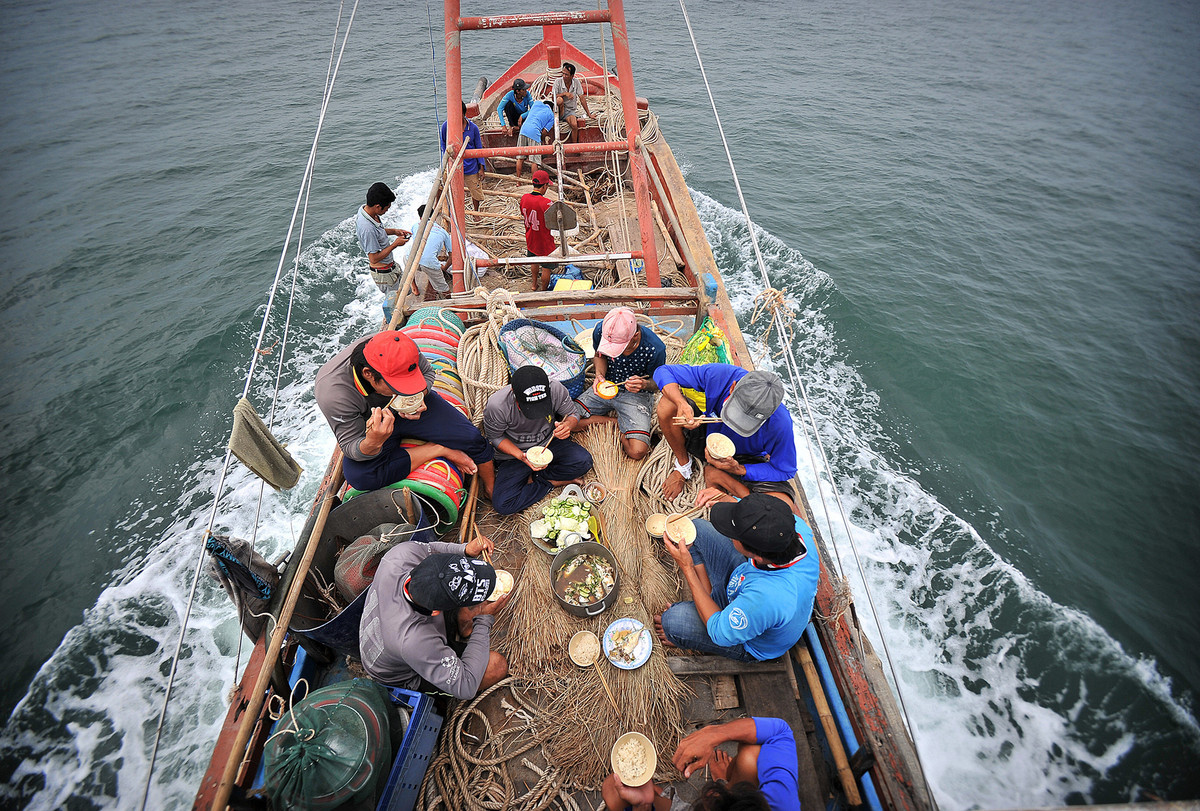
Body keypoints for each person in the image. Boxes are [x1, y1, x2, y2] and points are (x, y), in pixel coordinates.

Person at [314, 330, 496, 496]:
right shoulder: (334, 394)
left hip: (410, 409)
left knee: (472, 437)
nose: (402, 390)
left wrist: (417, 399)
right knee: (361, 476)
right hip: (370, 425)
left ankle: (490, 488)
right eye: (396, 385)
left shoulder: (402, 348)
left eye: (407, 382)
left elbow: (427, 375)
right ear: (368, 374)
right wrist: (373, 441)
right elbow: (350, 445)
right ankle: (439, 449)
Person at [655, 493, 819, 663]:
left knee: (672, 622)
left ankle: (708, 612)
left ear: (757, 556)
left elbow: (719, 633)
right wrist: (727, 498)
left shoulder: (768, 597)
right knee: (695, 530)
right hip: (743, 579)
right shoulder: (793, 528)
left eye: (733, 534)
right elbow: (757, 511)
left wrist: (687, 568)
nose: (729, 534)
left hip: (750, 642)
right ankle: (710, 600)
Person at [359, 539, 511, 699]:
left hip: (396, 629)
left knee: (466, 610)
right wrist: (484, 620)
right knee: (497, 666)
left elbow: (431, 548)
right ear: (436, 613)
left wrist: (465, 550)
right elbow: (466, 687)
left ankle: (461, 623)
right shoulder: (414, 641)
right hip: (407, 671)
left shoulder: (402, 555)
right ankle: (459, 626)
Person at [651, 365, 796, 503]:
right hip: (706, 434)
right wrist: (681, 403)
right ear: (733, 387)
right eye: (735, 412)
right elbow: (664, 371)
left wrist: (740, 469)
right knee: (667, 405)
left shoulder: (781, 424)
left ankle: (733, 498)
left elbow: (784, 470)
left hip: (743, 458)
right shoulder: (722, 375)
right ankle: (684, 465)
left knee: (784, 502)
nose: (735, 425)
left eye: (746, 422)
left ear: (769, 414)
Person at [483, 365, 593, 515]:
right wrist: (520, 456)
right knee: (503, 505)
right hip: (515, 455)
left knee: (583, 461)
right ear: (513, 392)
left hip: (549, 443)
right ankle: (551, 482)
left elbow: (572, 414)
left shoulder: (555, 389)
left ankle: (536, 479)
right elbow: (495, 437)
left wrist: (568, 425)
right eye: (529, 408)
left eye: (540, 406)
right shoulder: (497, 406)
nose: (536, 413)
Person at [573, 307, 665, 460]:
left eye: (619, 346)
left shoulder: (655, 348)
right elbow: (599, 355)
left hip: (636, 395)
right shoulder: (601, 331)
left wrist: (643, 384)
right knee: (569, 420)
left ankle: (610, 422)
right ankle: (617, 423)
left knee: (637, 451)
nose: (615, 352)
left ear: (635, 336)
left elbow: (658, 382)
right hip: (606, 385)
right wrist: (599, 376)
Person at [673, 717, 800, 811]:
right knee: (751, 753)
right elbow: (779, 731)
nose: (710, 794)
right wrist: (713, 734)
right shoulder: (782, 803)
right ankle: (731, 785)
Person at [355, 182, 411, 321]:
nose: (386, 211)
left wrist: (394, 231)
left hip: (390, 268)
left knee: (407, 291)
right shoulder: (366, 228)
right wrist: (395, 244)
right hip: (385, 275)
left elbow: (378, 232)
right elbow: (373, 258)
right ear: (377, 206)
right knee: (398, 304)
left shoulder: (367, 211)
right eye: (386, 208)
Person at [440, 101, 486, 211]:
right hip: (453, 165)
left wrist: (481, 168)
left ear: (463, 113)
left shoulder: (473, 128)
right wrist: (446, 162)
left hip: (471, 166)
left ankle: (476, 211)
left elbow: (479, 148)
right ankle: (444, 207)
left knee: (476, 191)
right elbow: (443, 144)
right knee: (443, 186)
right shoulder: (446, 126)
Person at [520, 169, 557, 291]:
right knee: (546, 266)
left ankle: (534, 284)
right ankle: (543, 291)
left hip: (531, 236)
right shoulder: (546, 203)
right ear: (544, 185)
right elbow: (555, 220)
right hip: (544, 240)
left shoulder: (524, 198)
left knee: (534, 260)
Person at [414, 203, 452, 300]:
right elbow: (452, 255)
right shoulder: (442, 231)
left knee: (406, 259)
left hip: (413, 260)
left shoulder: (415, 226)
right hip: (429, 262)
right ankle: (450, 301)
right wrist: (444, 268)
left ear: (420, 217)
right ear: (434, 216)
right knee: (443, 287)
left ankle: (414, 287)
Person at [514, 99, 556, 181]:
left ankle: (518, 181)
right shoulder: (551, 115)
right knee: (535, 161)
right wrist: (542, 141)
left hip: (523, 130)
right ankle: (535, 184)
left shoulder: (536, 104)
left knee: (520, 158)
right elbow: (544, 132)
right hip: (534, 132)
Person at [552, 62, 591, 143]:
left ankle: (574, 146)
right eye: (563, 74)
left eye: (566, 75)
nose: (564, 76)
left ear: (572, 76)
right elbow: (553, 97)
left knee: (574, 125)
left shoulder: (576, 82)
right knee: (559, 99)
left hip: (569, 111)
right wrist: (564, 94)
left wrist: (589, 114)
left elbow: (582, 98)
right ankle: (558, 118)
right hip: (558, 110)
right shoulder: (557, 82)